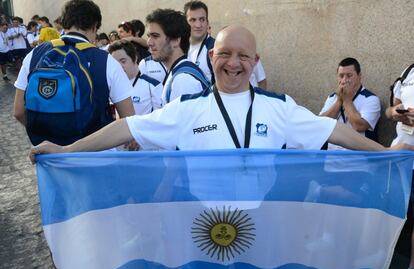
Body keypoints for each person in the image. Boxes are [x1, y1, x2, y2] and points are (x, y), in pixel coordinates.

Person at [30, 24, 413, 159]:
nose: (233, 63)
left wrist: (386, 154)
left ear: (256, 60)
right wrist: (66, 150)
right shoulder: (186, 107)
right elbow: (125, 129)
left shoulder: (279, 106)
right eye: (225, 54)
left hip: (263, 222)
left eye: (243, 56)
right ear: (212, 57)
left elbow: (334, 131)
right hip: (200, 224)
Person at [14, 0, 134, 144]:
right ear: (95, 26)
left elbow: (19, 111)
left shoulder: (35, 54)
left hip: (47, 156)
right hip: (95, 156)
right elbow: (128, 120)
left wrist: (45, 136)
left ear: (64, 23)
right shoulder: (106, 61)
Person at [146, 8, 208, 105]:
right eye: (149, 36)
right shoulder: (180, 73)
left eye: (155, 36)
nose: (149, 42)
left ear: (175, 40)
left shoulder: (183, 80)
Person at [386, 64, 414, 269]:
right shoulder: (408, 71)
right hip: (399, 156)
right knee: (392, 210)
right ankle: (382, 258)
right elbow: (390, 109)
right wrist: (396, 113)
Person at [320, 57, 381, 149]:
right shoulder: (332, 97)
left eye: (349, 75)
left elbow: (359, 126)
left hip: (359, 158)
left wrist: (347, 100)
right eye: (341, 76)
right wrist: (339, 100)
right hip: (331, 158)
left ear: (359, 76)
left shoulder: (371, 99)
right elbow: (321, 124)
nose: (344, 80)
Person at [108, 39, 162, 115]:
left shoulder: (153, 86)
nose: (119, 66)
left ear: (135, 58)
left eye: (123, 61)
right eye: (115, 63)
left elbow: (159, 119)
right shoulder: (113, 86)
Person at [184, 0, 215, 84]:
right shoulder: (180, 48)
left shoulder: (215, 48)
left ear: (207, 22)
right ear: (185, 23)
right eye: (193, 20)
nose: (198, 25)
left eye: (202, 19)